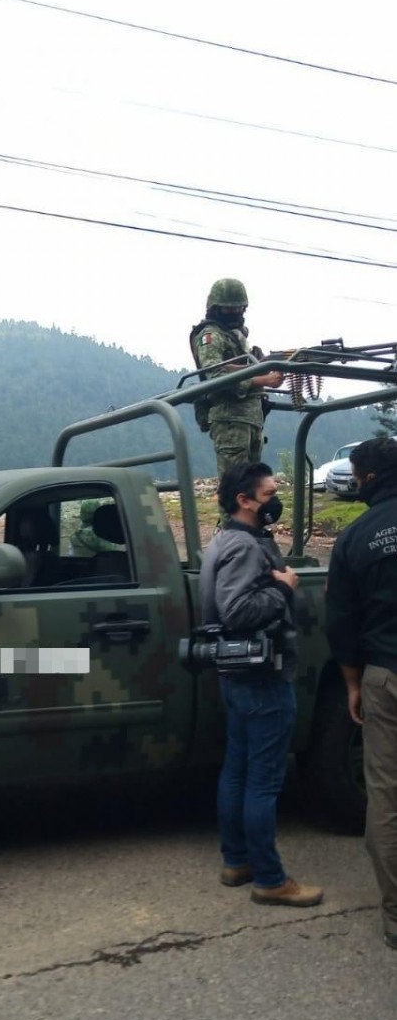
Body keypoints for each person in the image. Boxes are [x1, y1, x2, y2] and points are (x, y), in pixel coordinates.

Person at [199, 460, 323, 907]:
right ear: (244, 501)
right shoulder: (246, 547)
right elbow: (236, 612)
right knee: (263, 780)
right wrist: (285, 587)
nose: (276, 501)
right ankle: (270, 878)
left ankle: (237, 861)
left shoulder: (226, 539)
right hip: (262, 677)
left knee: (238, 768)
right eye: (269, 495)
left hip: (238, 677)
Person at [325, 437, 397, 950]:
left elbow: (342, 623)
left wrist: (352, 684)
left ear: (366, 478)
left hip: (385, 676)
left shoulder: (354, 538)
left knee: (387, 796)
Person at [190, 278, 285, 479]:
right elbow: (216, 375)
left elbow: (242, 368)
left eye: (239, 309)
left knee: (252, 487)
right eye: (229, 309)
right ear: (216, 309)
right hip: (230, 420)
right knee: (235, 488)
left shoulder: (236, 336)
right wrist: (264, 380)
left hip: (250, 418)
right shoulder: (211, 336)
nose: (235, 313)